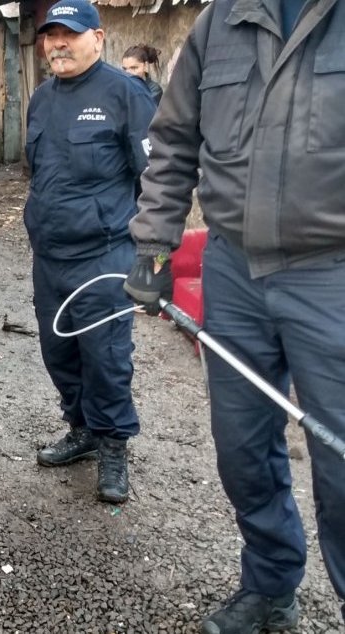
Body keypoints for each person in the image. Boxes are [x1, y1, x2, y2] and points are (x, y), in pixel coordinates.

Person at [123, 0, 345, 631]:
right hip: (234, 270)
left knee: (342, 461)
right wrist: (155, 244)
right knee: (242, 447)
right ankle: (271, 585)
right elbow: (173, 139)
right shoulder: (220, 22)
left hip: (334, 275)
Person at [22, 0, 156, 503]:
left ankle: (113, 445)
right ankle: (80, 429)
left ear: (97, 38)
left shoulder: (126, 94)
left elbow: (156, 179)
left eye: (69, 35)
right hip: (49, 256)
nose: (57, 43)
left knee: (107, 357)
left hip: (103, 257)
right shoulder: (41, 99)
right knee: (59, 353)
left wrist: (151, 258)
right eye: (50, 35)